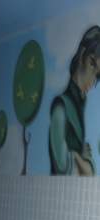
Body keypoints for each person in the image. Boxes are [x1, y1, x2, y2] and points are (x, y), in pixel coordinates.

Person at [49, 25, 100, 176]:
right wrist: (79, 157)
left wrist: (80, 158)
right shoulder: (61, 105)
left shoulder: (80, 105)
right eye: (93, 65)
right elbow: (62, 165)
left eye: (97, 76)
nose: (92, 81)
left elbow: (89, 171)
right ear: (83, 55)